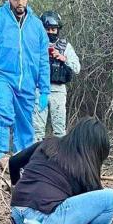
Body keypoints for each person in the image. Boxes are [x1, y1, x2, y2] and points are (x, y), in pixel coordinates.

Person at [9, 117, 113, 224]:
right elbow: (89, 216)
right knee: (112, 198)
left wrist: (16, 190)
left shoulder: (47, 144)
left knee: (54, 202)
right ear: (96, 150)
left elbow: (13, 162)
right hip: (42, 223)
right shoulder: (85, 171)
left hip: (18, 216)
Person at [0, 0, 50, 162]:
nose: (20, 2)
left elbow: (43, 59)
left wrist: (44, 89)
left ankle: (23, 158)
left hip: (27, 81)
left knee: (25, 123)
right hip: (3, 75)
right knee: (2, 111)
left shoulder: (37, 26)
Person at [33, 11, 81, 141]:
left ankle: (59, 159)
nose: (50, 32)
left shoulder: (65, 46)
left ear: (58, 29)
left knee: (59, 130)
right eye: (47, 29)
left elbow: (77, 68)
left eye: (53, 29)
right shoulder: (35, 45)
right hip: (39, 90)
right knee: (37, 130)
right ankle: (35, 158)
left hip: (58, 92)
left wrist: (62, 58)